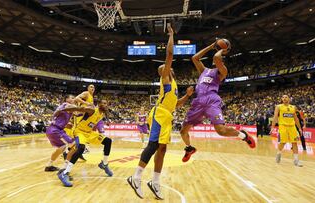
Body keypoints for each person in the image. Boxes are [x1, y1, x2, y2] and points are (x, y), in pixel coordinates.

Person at [127, 24, 194, 200]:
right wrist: (171, 35)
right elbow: (170, 54)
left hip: (168, 115)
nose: (169, 68)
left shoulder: (174, 85)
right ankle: (136, 177)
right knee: (153, 145)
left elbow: (176, 105)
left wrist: (187, 96)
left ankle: (155, 182)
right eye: (165, 68)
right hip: (159, 114)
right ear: (163, 71)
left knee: (162, 149)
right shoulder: (165, 78)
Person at [179, 40, 256, 162]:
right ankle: (189, 148)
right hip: (198, 101)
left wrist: (222, 49)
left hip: (211, 100)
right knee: (183, 131)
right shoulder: (204, 71)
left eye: (220, 60)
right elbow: (195, 58)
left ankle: (244, 135)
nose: (218, 61)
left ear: (222, 61)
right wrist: (210, 46)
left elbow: (216, 57)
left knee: (221, 131)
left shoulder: (222, 72)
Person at [57, 99, 113, 187]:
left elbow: (106, 113)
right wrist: (62, 110)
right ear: (99, 104)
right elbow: (80, 108)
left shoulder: (103, 112)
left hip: (89, 133)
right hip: (80, 132)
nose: (106, 105)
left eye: (107, 104)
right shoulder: (92, 110)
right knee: (81, 148)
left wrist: (108, 120)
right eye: (104, 103)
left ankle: (104, 164)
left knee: (108, 141)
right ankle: (65, 173)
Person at [44, 94, 93, 172]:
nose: (74, 99)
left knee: (61, 148)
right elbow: (77, 110)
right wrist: (87, 107)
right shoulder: (66, 105)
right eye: (72, 98)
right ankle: (65, 167)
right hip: (55, 130)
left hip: (53, 129)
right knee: (74, 144)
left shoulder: (69, 110)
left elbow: (77, 114)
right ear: (67, 99)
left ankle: (49, 165)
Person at [271, 95, 303, 167]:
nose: (284, 98)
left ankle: (296, 160)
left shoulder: (293, 107)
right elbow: (275, 116)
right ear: (281, 99)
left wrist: (300, 128)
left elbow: (296, 118)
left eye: (286, 97)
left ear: (289, 99)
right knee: (283, 142)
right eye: (283, 97)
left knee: (294, 143)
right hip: (283, 126)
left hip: (292, 127)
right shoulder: (278, 106)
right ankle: (279, 153)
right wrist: (272, 126)